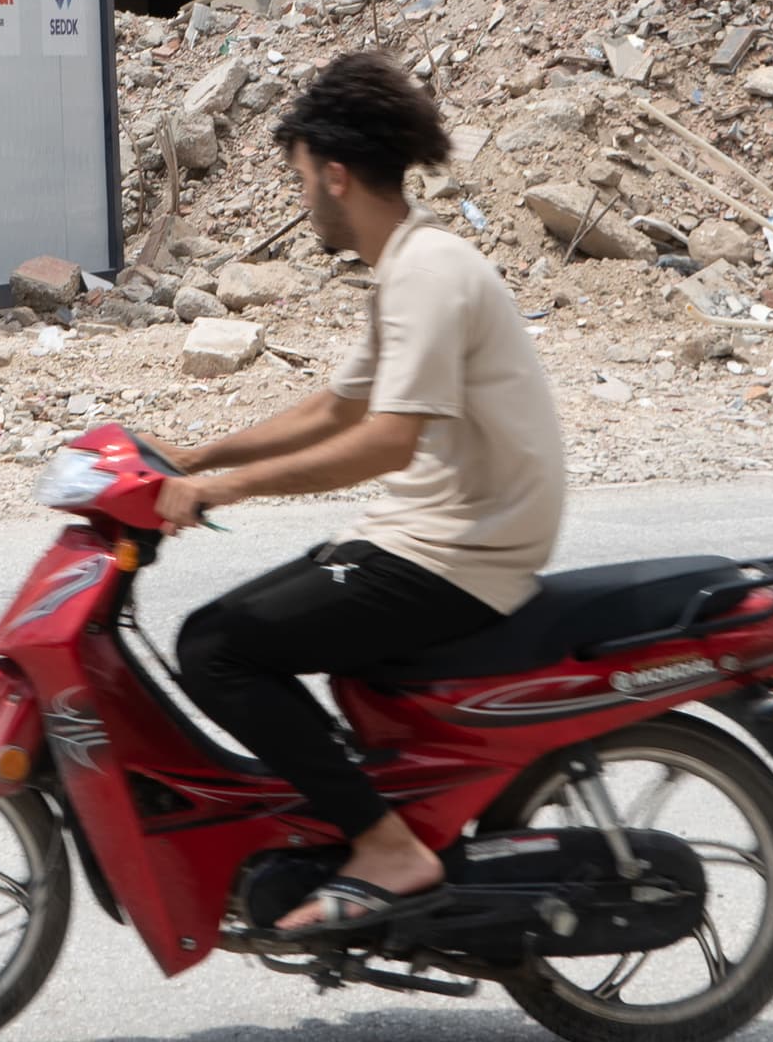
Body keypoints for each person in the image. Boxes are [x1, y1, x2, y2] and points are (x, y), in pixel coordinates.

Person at [155, 49, 566, 936]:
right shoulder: (410, 262)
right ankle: (352, 818)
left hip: (460, 551)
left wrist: (224, 489)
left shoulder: (427, 273)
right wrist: (191, 455)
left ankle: (384, 849)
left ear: (335, 175)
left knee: (215, 646)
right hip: (437, 533)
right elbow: (333, 406)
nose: (302, 198)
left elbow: (382, 440)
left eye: (302, 178)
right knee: (256, 625)